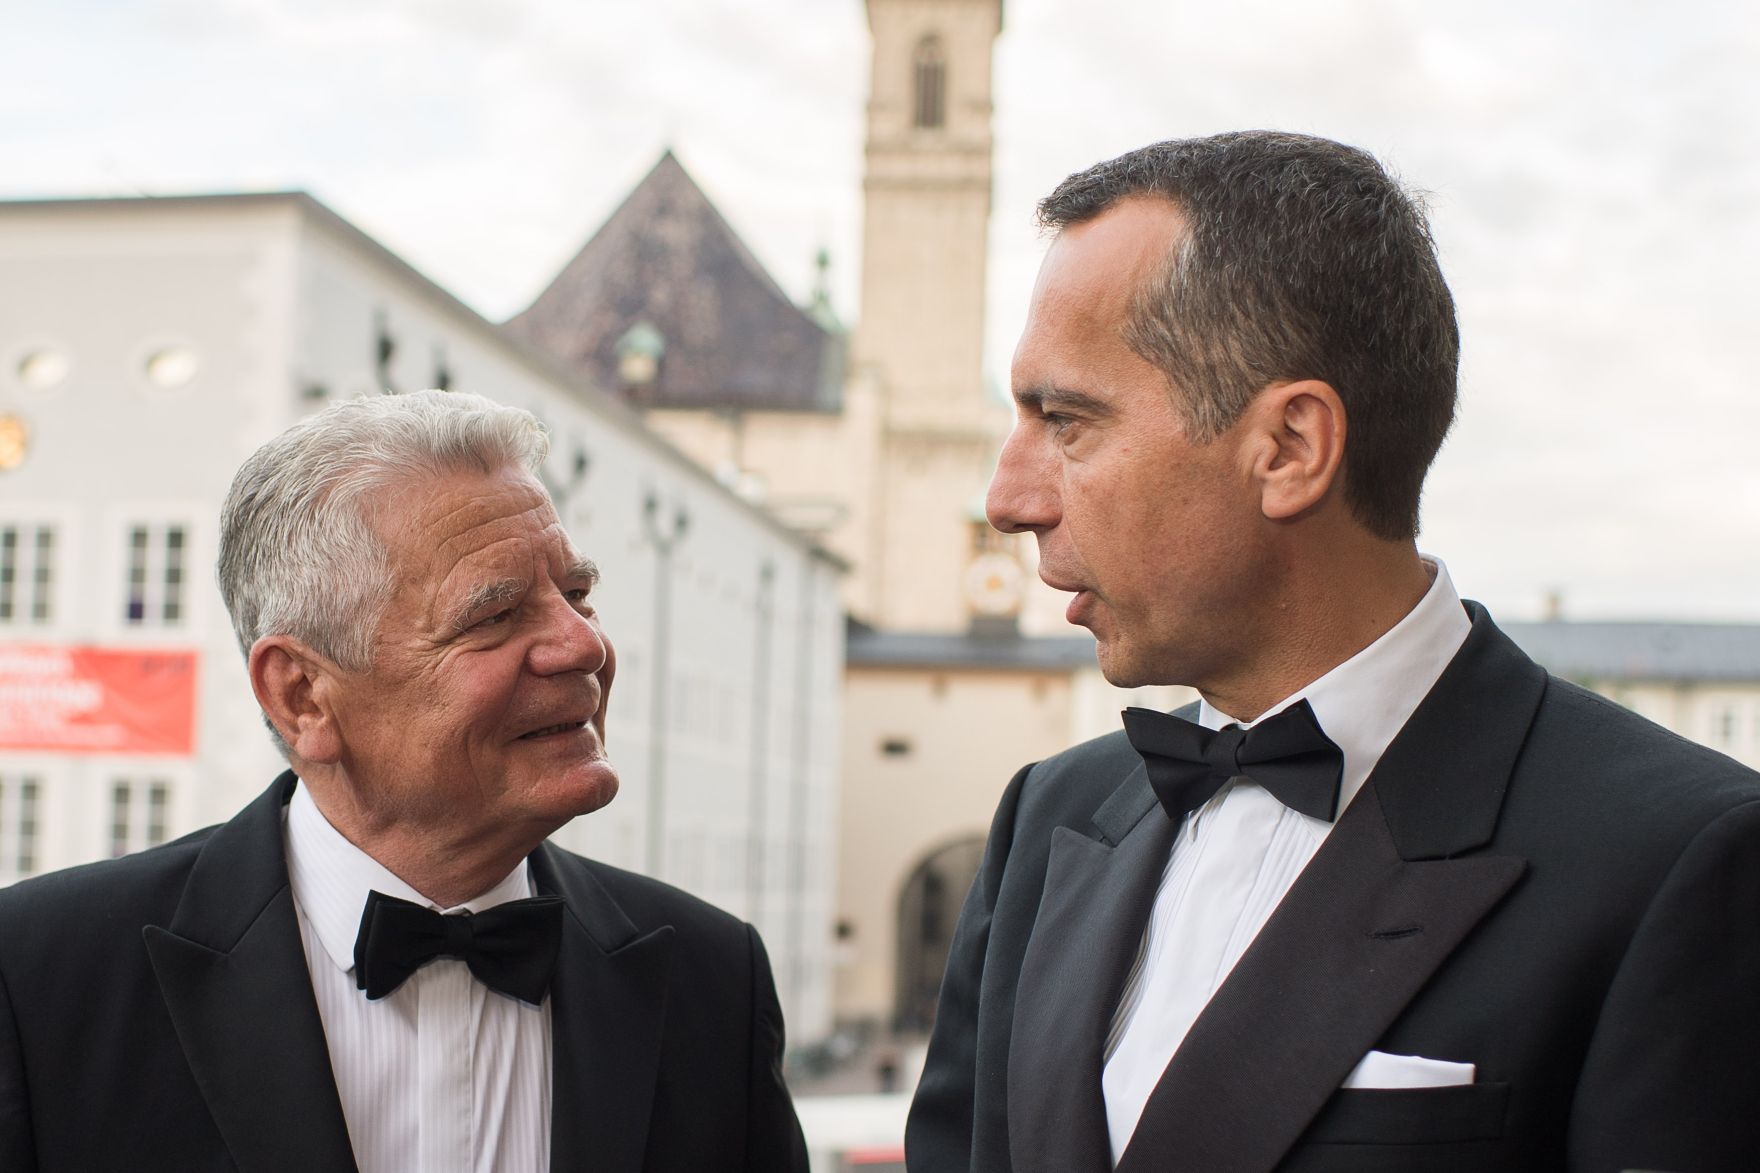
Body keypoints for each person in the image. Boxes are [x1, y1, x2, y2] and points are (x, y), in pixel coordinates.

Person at [905, 132, 1760, 1172]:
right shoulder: (1048, 818)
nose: (1006, 499)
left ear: (1289, 448)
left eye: (1066, 421)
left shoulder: (1681, 859)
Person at [0, 391, 809, 1172]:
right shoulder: (42, 979)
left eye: (576, 593)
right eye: (493, 615)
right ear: (302, 694)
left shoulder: (712, 983)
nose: (581, 645)